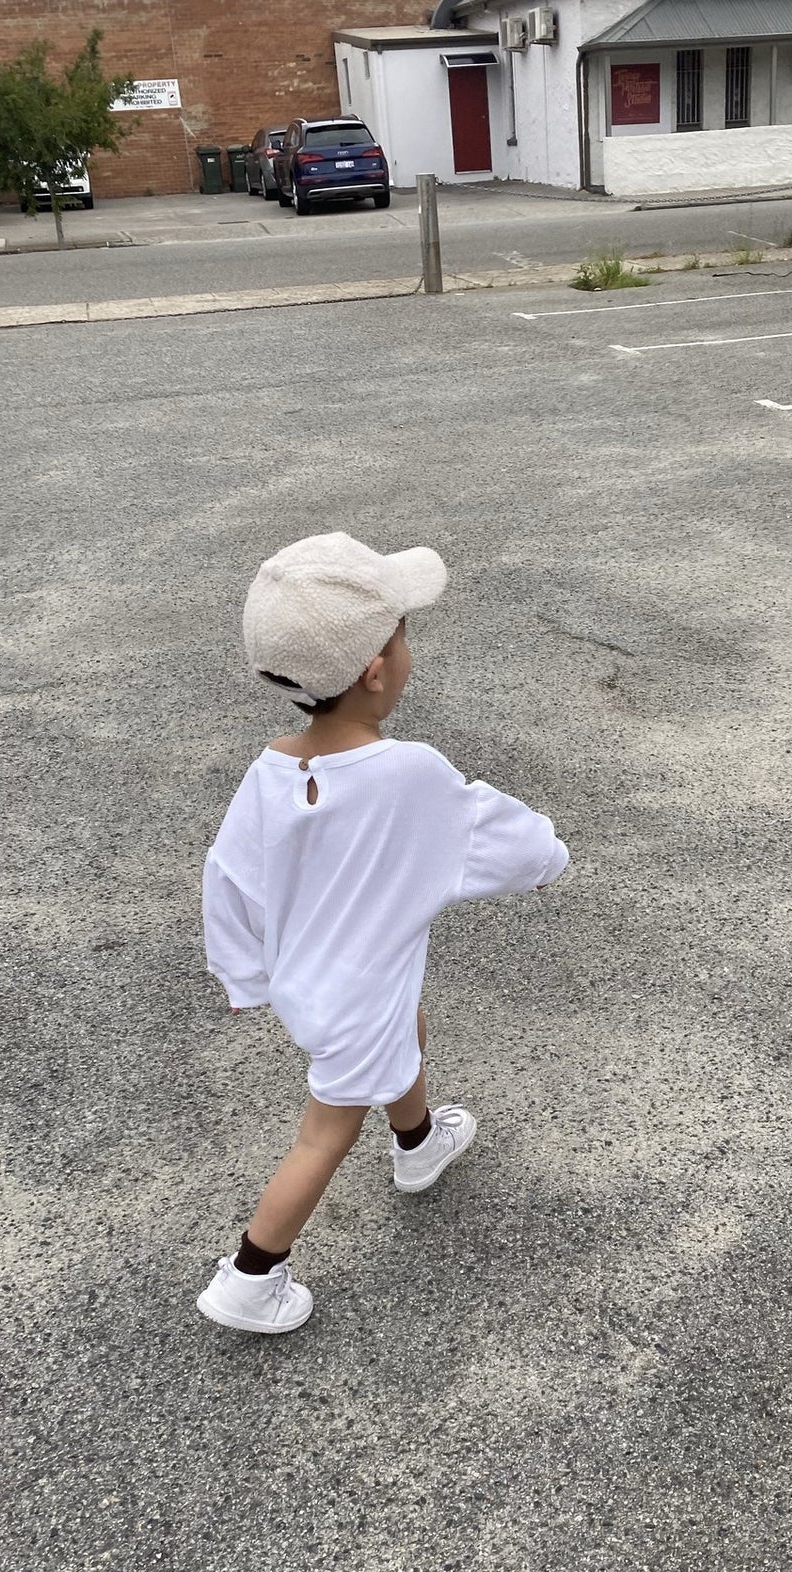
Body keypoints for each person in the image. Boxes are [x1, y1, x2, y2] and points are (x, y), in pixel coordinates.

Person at [198, 532, 569, 1335]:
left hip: (312, 979)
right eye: (404, 635)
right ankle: (250, 1276)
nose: (407, 652)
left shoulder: (271, 770)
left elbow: (227, 874)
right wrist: (548, 859)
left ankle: (419, 1143)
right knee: (322, 1135)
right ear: (376, 671)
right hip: (353, 997)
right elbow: (496, 834)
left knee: (409, 1026)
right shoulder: (408, 772)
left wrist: (244, 975)